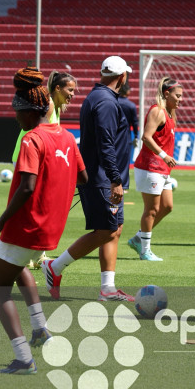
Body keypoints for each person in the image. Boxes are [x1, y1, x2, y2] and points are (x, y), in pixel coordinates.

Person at [0, 67, 87, 375]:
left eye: (17, 113)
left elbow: (27, 187)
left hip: (25, 226)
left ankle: (23, 359)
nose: (16, 118)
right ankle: (40, 328)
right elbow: (83, 178)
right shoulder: (67, 137)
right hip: (50, 229)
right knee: (18, 267)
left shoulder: (32, 139)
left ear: (30, 112)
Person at [42, 56, 134, 302]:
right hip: (103, 178)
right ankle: (55, 266)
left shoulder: (98, 97)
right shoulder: (106, 101)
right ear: (122, 76)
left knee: (114, 229)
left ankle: (108, 288)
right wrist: (115, 179)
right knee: (106, 230)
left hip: (104, 176)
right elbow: (106, 143)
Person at [10, 70, 77, 270]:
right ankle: (27, 252)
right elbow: (39, 135)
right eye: (70, 90)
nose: (72, 94)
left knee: (39, 205)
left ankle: (36, 254)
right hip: (28, 158)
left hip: (32, 157)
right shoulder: (48, 105)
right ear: (57, 88)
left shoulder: (53, 106)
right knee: (34, 205)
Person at [127, 77, 182, 261]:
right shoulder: (157, 111)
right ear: (167, 94)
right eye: (177, 96)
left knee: (167, 207)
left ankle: (138, 238)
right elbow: (146, 137)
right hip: (150, 167)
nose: (180, 99)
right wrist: (164, 155)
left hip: (162, 169)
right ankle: (145, 250)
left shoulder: (170, 113)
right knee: (151, 210)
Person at [119, 82, 140, 162]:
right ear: (128, 92)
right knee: (124, 161)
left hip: (112, 135)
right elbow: (134, 122)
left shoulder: (113, 102)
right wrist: (136, 136)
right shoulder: (131, 105)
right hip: (126, 136)